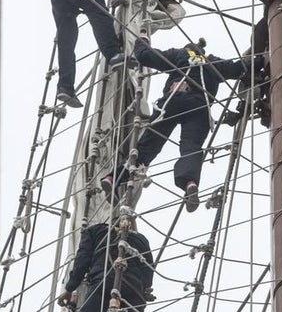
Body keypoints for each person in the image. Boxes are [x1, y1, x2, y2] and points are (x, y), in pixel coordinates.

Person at [102, 36, 258, 212]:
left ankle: (112, 177)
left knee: (148, 145)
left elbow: (146, 56)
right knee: (191, 147)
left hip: (171, 101)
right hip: (198, 106)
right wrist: (260, 59)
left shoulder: (178, 55)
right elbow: (238, 68)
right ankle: (190, 183)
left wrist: (140, 42)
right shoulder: (212, 63)